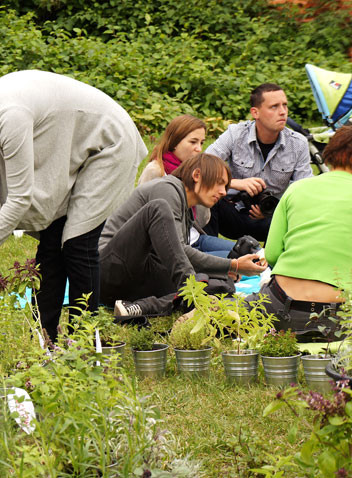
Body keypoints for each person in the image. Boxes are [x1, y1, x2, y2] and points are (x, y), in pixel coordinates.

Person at [0, 70, 147, 342]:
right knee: (50, 245)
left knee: (77, 244)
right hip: (71, 148)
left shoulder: (7, 118)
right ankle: (45, 341)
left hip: (108, 144)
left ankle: (85, 344)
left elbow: (21, 198)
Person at [98, 153, 267, 317]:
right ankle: (191, 290)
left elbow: (177, 253)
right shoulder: (167, 189)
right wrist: (233, 265)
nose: (223, 192)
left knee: (222, 283)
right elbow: (180, 251)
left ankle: (143, 307)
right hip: (110, 272)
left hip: (136, 280)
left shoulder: (186, 210)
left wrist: (229, 269)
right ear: (197, 174)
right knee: (157, 208)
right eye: (220, 183)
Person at [245, 125, 352, 338]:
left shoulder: (297, 188)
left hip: (278, 306)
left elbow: (273, 254)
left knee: (231, 308)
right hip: (340, 316)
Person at [204, 83, 313, 241]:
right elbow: (203, 166)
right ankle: (209, 255)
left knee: (303, 214)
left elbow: (305, 192)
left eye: (284, 105)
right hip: (232, 211)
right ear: (255, 112)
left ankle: (273, 263)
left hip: (273, 220)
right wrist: (233, 183)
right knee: (204, 195)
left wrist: (276, 211)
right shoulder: (236, 134)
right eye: (274, 107)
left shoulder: (298, 143)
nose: (283, 112)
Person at [138, 114, 234, 258]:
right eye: (193, 142)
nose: (198, 149)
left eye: (201, 143)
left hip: (196, 238)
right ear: (175, 142)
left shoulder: (196, 172)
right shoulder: (156, 171)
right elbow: (142, 219)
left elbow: (202, 220)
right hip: (175, 249)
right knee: (243, 261)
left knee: (255, 252)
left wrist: (202, 190)